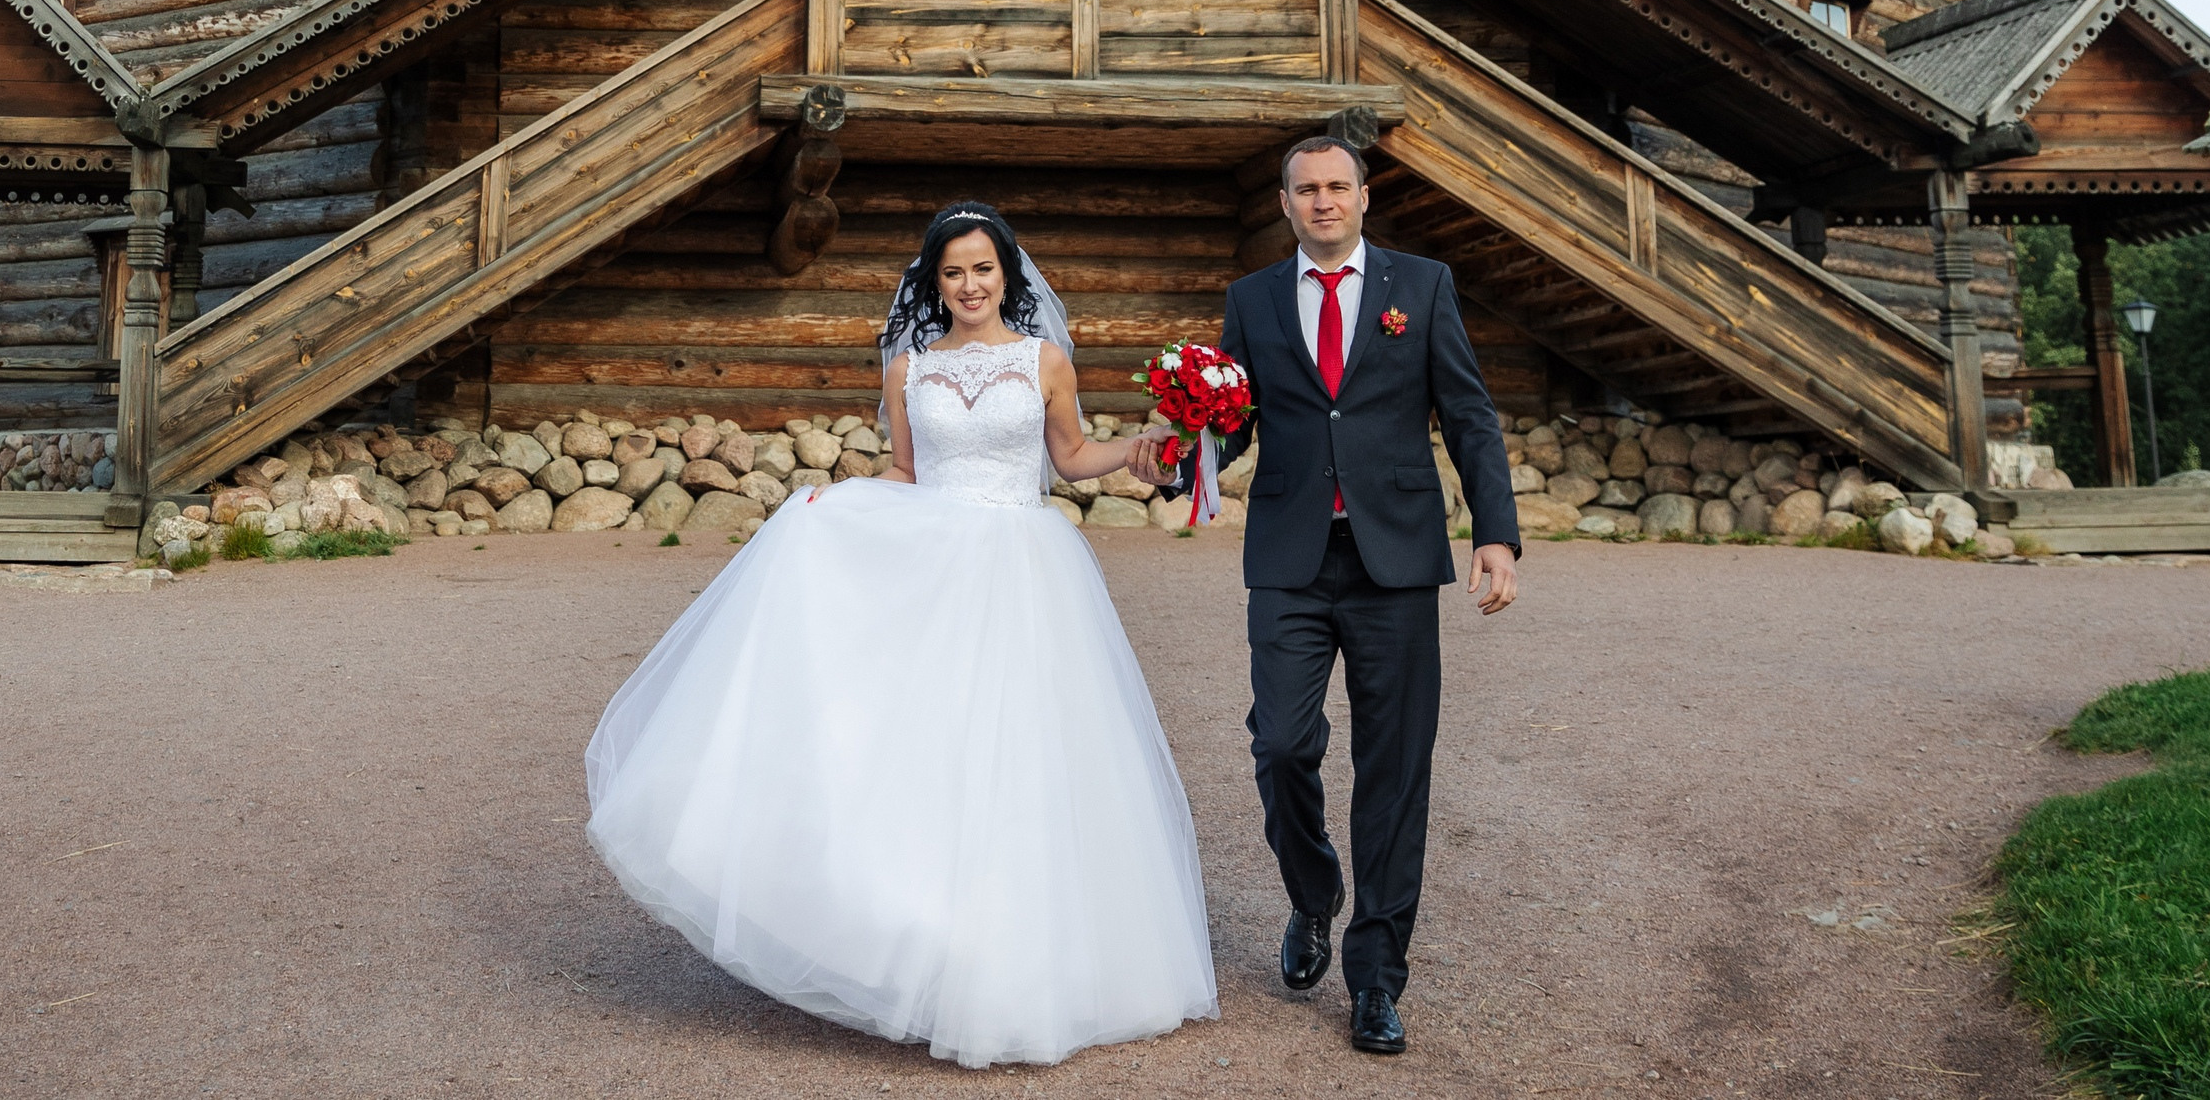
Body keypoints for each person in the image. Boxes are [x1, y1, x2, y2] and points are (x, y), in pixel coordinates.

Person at [583, 202, 1217, 1069]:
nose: (968, 285)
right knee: (921, 756)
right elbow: (908, 473)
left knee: (1020, 760)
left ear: (1008, 276)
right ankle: (915, 940)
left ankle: (1020, 965)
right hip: (933, 564)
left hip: (1024, 569)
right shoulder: (909, 369)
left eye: (983, 270)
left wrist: (1141, 444)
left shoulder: (1045, 359)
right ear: (934, 281)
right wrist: (835, 503)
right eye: (952, 272)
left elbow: (1069, 458)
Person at [1143, 134, 1519, 1056]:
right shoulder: (1253, 300)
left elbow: (1467, 412)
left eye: (1337, 186)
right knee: (1279, 743)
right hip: (1290, 556)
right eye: (1305, 189)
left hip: (1396, 559)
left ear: (1362, 195)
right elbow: (1233, 421)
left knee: (1394, 770)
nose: (1322, 201)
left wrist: (1497, 532)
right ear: (1284, 203)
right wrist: (1180, 457)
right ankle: (1314, 897)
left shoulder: (1422, 286)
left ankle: (1375, 979)